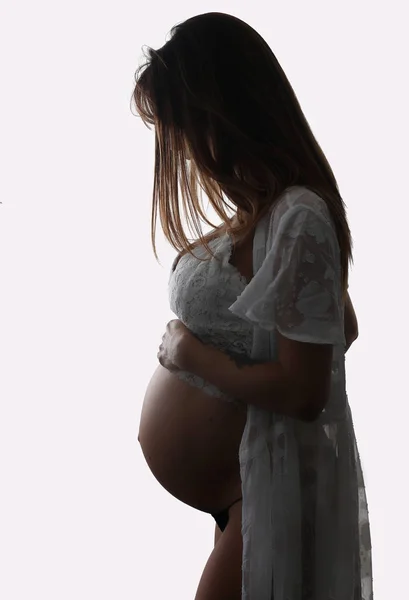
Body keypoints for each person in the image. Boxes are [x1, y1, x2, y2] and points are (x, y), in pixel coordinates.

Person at [132, 12, 373, 600]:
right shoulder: (267, 212)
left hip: (264, 496)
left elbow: (304, 390)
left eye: (183, 127)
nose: (183, 151)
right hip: (244, 491)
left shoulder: (299, 215)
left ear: (223, 111)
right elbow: (340, 323)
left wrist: (191, 353)